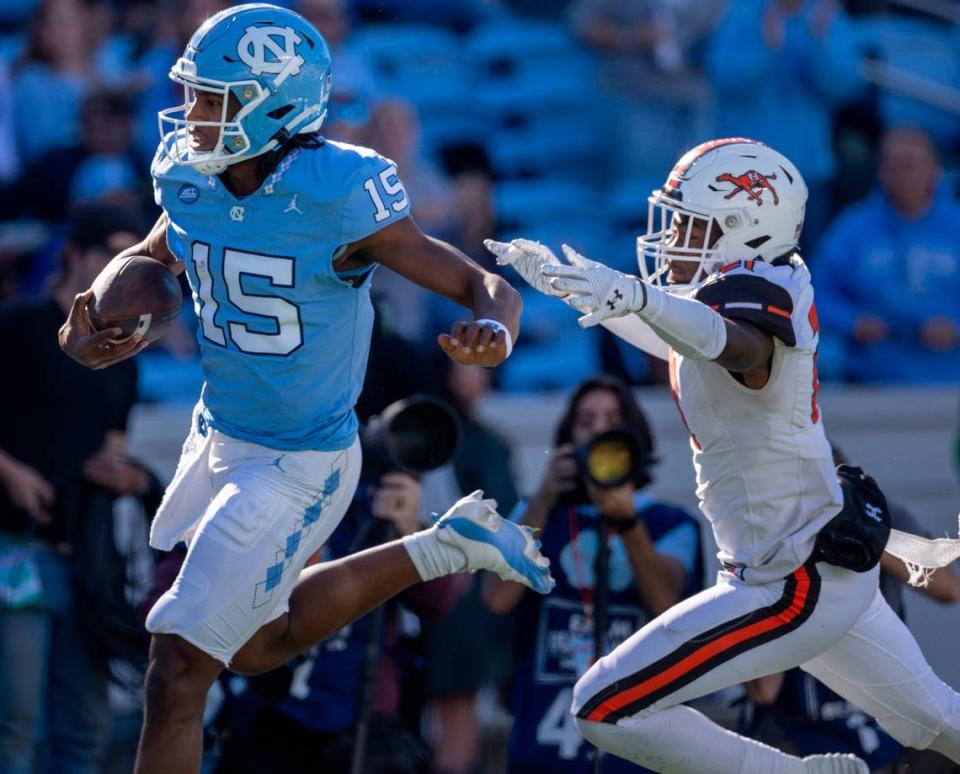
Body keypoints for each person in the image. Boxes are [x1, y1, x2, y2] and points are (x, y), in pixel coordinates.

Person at [57, 7, 553, 774]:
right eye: (193, 94)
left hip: (299, 461)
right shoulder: (189, 170)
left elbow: (482, 282)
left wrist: (493, 326)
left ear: (278, 107)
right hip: (218, 433)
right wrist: (100, 309)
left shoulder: (338, 189)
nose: (192, 115)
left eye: (214, 98)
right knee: (256, 645)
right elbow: (160, 251)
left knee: (178, 669)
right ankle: (444, 545)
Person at [487, 136, 960, 773]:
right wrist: (572, 288)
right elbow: (684, 338)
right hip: (818, 565)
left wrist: (640, 298)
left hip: (788, 581)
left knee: (601, 706)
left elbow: (738, 348)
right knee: (938, 719)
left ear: (744, 225)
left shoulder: (767, 288)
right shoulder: (731, 296)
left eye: (690, 220)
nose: (674, 233)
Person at [483, 374, 703, 774]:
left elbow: (666, 605)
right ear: (568, 439)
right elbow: (497, 598)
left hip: (638, 738)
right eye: (586, 421)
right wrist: (545, 498)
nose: (599, 430)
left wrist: (627, 521)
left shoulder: (670, 524)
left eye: (611, 418)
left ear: (635, 434)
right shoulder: (535, 512)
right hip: (544, 735)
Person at [0, 202, 152, 774]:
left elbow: (114, 445)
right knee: (15, 723)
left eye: (133, 259)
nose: (122, 270)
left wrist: (133, 477)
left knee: (83, 728)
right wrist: (11, 472)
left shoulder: (124, 353)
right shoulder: (18, 327)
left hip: (85, 558)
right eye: (111, 255)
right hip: (17, 545)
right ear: (73, 256)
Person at [813, 126, 960, 384]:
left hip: (950, 383)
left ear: (934, 170)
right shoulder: (853, 228)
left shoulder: (956, 225)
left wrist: (955, 328)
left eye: (909, 166)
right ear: (880, 171)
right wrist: (853, 322)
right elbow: (814, 291)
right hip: (871, 383)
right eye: (892, 165)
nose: (900, 176)